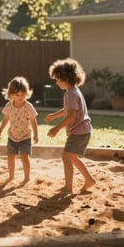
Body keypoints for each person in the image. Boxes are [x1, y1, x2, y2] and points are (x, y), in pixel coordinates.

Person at [44, 58, 95, 194]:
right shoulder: (73, 91)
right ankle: (89, 180)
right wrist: (54, 116)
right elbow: (68, 110)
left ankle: (68, 187)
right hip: (83, 130)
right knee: (72, 157)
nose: (56, 82)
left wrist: (56, 128)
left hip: (79, 131)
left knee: (67, 157)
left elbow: (71, 116)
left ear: (65, 78)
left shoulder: (70, 94)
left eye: (57, 79)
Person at [0, 76, 39, 184]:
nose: (20, 97)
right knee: (10, 156)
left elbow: (33, 121)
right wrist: (1, 129)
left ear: (27, 93)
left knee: (24, 157)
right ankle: (11, 176)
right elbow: (6, 118)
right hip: (12, 136)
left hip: (25, 137)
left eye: (23, 94)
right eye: (17, 95)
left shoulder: (28, 106)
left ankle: (27, 177)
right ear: (11, 94)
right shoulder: (9, 106)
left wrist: (36, 134)